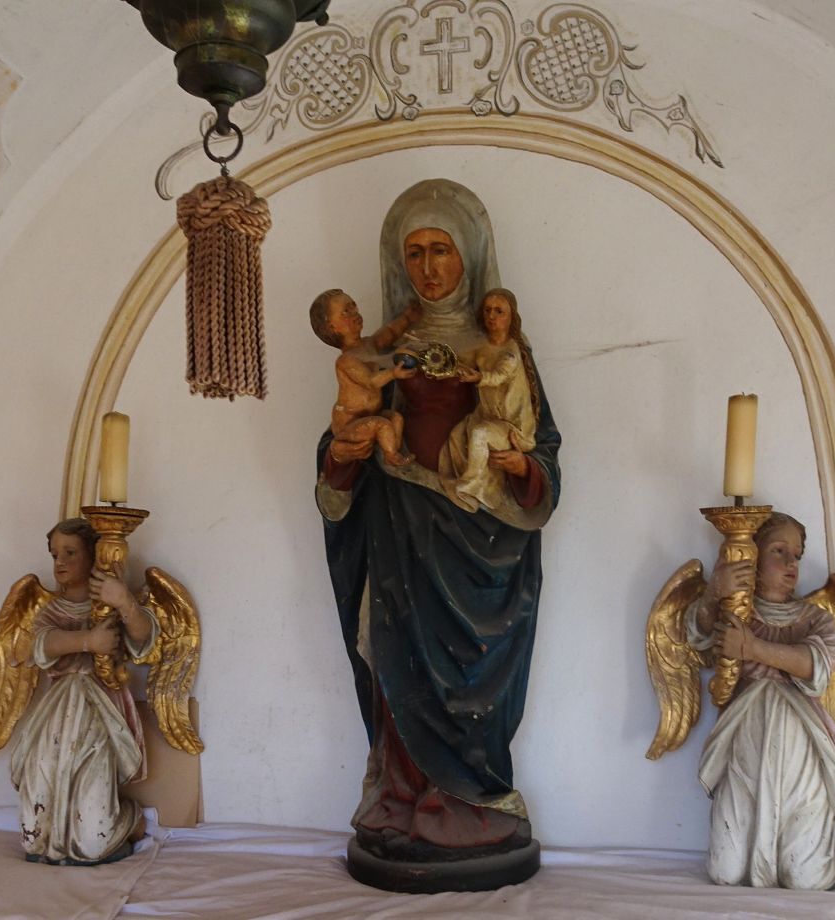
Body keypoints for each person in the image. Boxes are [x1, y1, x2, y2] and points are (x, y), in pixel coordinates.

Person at [315, 180, 560, 884]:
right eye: (414, 252)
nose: (427, 267)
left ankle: (470, 803)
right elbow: (344, 441)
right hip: (397, 530)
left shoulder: (503, 347)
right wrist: (341, 458)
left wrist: (523, 468)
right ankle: (402, 798)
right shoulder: (380, 351)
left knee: (472, 670)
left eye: (441, 250)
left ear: (468, 257)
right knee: (398, 657)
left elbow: (542, 446)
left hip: (481, 541)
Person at [685, 513, 835, 889]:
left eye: (797, 554)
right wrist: (714, 593)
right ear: (753, 556)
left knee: (807, 879)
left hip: (801, 748)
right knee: (725, 872)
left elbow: (817, 664)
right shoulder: (736, 612)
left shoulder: (816, 619)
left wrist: (752, 648)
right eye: (779, 551)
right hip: (745, 739)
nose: (792, 562)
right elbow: (697, 637)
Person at [10, 518, 159, 865]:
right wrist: (88, 640)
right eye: (54, 555)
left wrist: (124, 601)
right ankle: (50, 837)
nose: (59, 562)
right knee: (33, 837)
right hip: (56, 721)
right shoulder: (51, 610)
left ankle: (128, 819)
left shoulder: (110, 607)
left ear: (93, 556)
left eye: (70, 553)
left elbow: (144, 641)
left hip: (100, 716)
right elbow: (41, 646)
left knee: (92, 843)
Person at [441, 288, 538, 512]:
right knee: (456, 435)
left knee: (479, 435)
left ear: (511, 316)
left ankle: (470, 488)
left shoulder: (511, 351)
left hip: (512, 425)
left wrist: (478, 377)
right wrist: (445, 366)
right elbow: (462, 361)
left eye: (499, 311)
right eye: (487, 311)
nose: (492, 316)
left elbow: (499, 376)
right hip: (487, 414)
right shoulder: (482, 345)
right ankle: (475, 483)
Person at [310, 288, 418, 467]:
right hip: (350, 422)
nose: (355, 313)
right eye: (346, 311)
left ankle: (392, 452)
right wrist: (393, 373)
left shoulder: (368, 344)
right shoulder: (346, 360)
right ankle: (392, 456)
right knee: (382, 424)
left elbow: (389, 333)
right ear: (332, 327)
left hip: (371, 413)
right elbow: (371, 382)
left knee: (396, 419)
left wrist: (407, 318)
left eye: (354, 307)